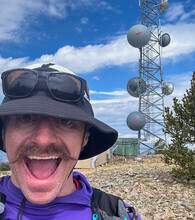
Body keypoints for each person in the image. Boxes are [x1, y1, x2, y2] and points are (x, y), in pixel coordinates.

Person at [0, 63, 141, 219]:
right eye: (25, 118)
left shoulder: (118, 213)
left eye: (64, 121)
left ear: (84, 139)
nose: (43, 140)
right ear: (4, 135)